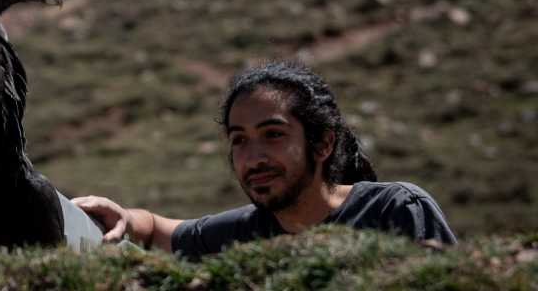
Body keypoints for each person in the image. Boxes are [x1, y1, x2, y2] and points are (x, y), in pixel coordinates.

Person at [73, 61, 456, 260]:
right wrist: (124, 217)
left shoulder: (394, 210)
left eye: (273, 135)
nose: (253, 158)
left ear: (322, 144)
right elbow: (158, 229)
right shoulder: (245, 232)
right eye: (239, 140)